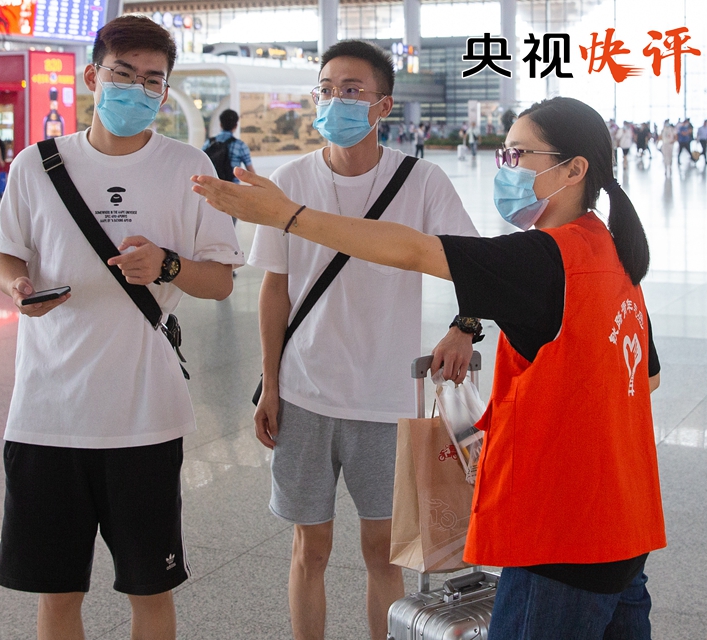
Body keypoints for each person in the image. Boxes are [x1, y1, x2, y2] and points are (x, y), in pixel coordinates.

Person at [193, 95, 667, 640]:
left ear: (574, 169)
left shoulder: (544, 258)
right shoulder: (610, 250)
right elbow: (646, 377)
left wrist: (288, 217)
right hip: (625, 527)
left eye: (518, 155)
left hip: (561, 539)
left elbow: (416, 251)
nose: (506, 167)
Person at [0, 15, 243, 640]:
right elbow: (7, 254)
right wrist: (16, 286)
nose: (137, 89)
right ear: (91, 77)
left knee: (150, 590)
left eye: (152, 80)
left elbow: (221, 280)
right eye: (122, 74)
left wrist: (167, 265)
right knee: (56, 595)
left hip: (144, 416)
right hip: (47, 413)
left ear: (166, 91)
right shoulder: (36, 165)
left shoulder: (188, 168)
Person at [245, 39, 479, 640]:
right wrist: (270, 385)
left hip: (384, 401)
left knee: (383, 550)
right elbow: (276, 290)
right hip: (304, 394)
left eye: (351, 90)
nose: (335, 101)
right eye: (325, 90)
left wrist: (464, 326)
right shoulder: (289, 179)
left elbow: (476, 265)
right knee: (310, 548)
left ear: (383, 105)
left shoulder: (420, 182)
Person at [202, 108, 255, 182]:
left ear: (220, 124)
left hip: (213, 184)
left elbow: (201, 161)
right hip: (232, 186)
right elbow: (251, 172)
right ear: (236, 125)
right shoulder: (240, 145)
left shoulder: (209, 143)